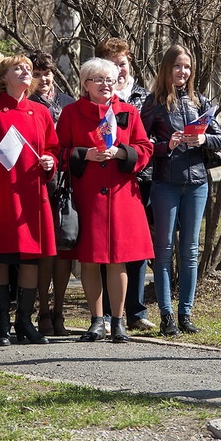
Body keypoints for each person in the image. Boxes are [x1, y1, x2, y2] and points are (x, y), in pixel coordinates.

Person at [57, 58, 154, 342]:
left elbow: (145, 148)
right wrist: (84, 154)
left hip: (122, 197)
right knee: (90, 261)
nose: (105, 85)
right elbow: (59, 151)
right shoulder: (72, 113)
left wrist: (122, 153)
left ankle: (119, 321)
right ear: (85, 84)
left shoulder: (129, 111)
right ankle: (97, 321)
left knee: (118, 261)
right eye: (98, 80)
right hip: (87, 199)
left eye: (110, 80)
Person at [0, 54, 59, 346]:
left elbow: (53, 149)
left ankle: (24, 323)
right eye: (18, 68)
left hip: (32, 196)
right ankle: (2, 326)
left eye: (28, 69)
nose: (25, 72)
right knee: (0, 259)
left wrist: (50, 161)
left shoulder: (41, 112)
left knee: (31, 260)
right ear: (3, 77)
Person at [141, 44, 221, 337]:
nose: (183, 72)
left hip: (197, 183)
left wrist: (203, 140)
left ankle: (186, 313)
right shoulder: (153, 103)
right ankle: (166, 316)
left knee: (190, 251)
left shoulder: (199, 101)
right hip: (165, 183)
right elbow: (142, 144)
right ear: (167, 68)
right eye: (177, 66)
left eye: (187, 67)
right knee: (163, 251)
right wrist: (168, 146)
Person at [95, 37, 155, 331]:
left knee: (136, 248)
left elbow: (150, 136)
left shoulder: (144, 96)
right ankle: (106, 313)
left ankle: (136, 310)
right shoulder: (98, 93)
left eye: (123, 63)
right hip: (105, 182)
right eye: (113, 64)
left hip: (139, 179)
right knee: (107, 249)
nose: (120, 69)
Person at [28, 50, 76, 337]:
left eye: (47, 73)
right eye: (37, 74)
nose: (43, 79)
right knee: (45, 250)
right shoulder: (28, 103)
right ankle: (43, 310)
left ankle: (60, 311)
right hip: (41, 183)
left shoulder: (68, 103)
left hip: (69, 183)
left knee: (65, 246)